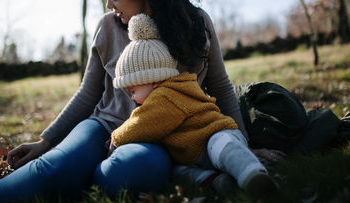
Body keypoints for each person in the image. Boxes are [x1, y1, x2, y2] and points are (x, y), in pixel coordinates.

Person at [0, 0, 283, 202]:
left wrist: (244, 144)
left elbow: (222, 86)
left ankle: (86, 176)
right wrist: (45, 141)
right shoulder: (107, 28)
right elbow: (87, 93)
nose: (110, 5)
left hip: (158, 139)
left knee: (130, 171)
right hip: (102, 127)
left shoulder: (196, 24)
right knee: (58, 166)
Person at [110, 13, 279, 200]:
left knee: (225, 148)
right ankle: (215, 181)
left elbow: (141, 124)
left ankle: (253, 175)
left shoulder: (165, 96)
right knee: (177, 172)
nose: (132, 98)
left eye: (133, 90)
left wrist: (115, 138)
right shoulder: (169, 90)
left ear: (153, 81)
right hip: (195, 155)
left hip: (214, 136)